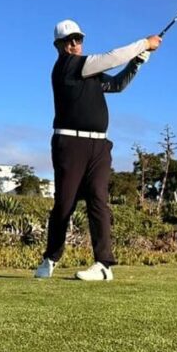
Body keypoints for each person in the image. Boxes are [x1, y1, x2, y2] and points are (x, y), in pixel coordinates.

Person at [34, 20, 162, 281]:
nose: (74, 44)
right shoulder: (67, 66)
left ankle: (103, 265)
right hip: (70, 143)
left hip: (100, 145)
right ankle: (51, 258)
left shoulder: (88, 71)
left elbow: (116, 85)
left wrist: (137, 62)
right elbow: (111, 58)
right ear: (58, 45)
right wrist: (144, 43)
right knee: (65, 204)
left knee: (98, 200)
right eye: (69, 40)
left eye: (78, 39)